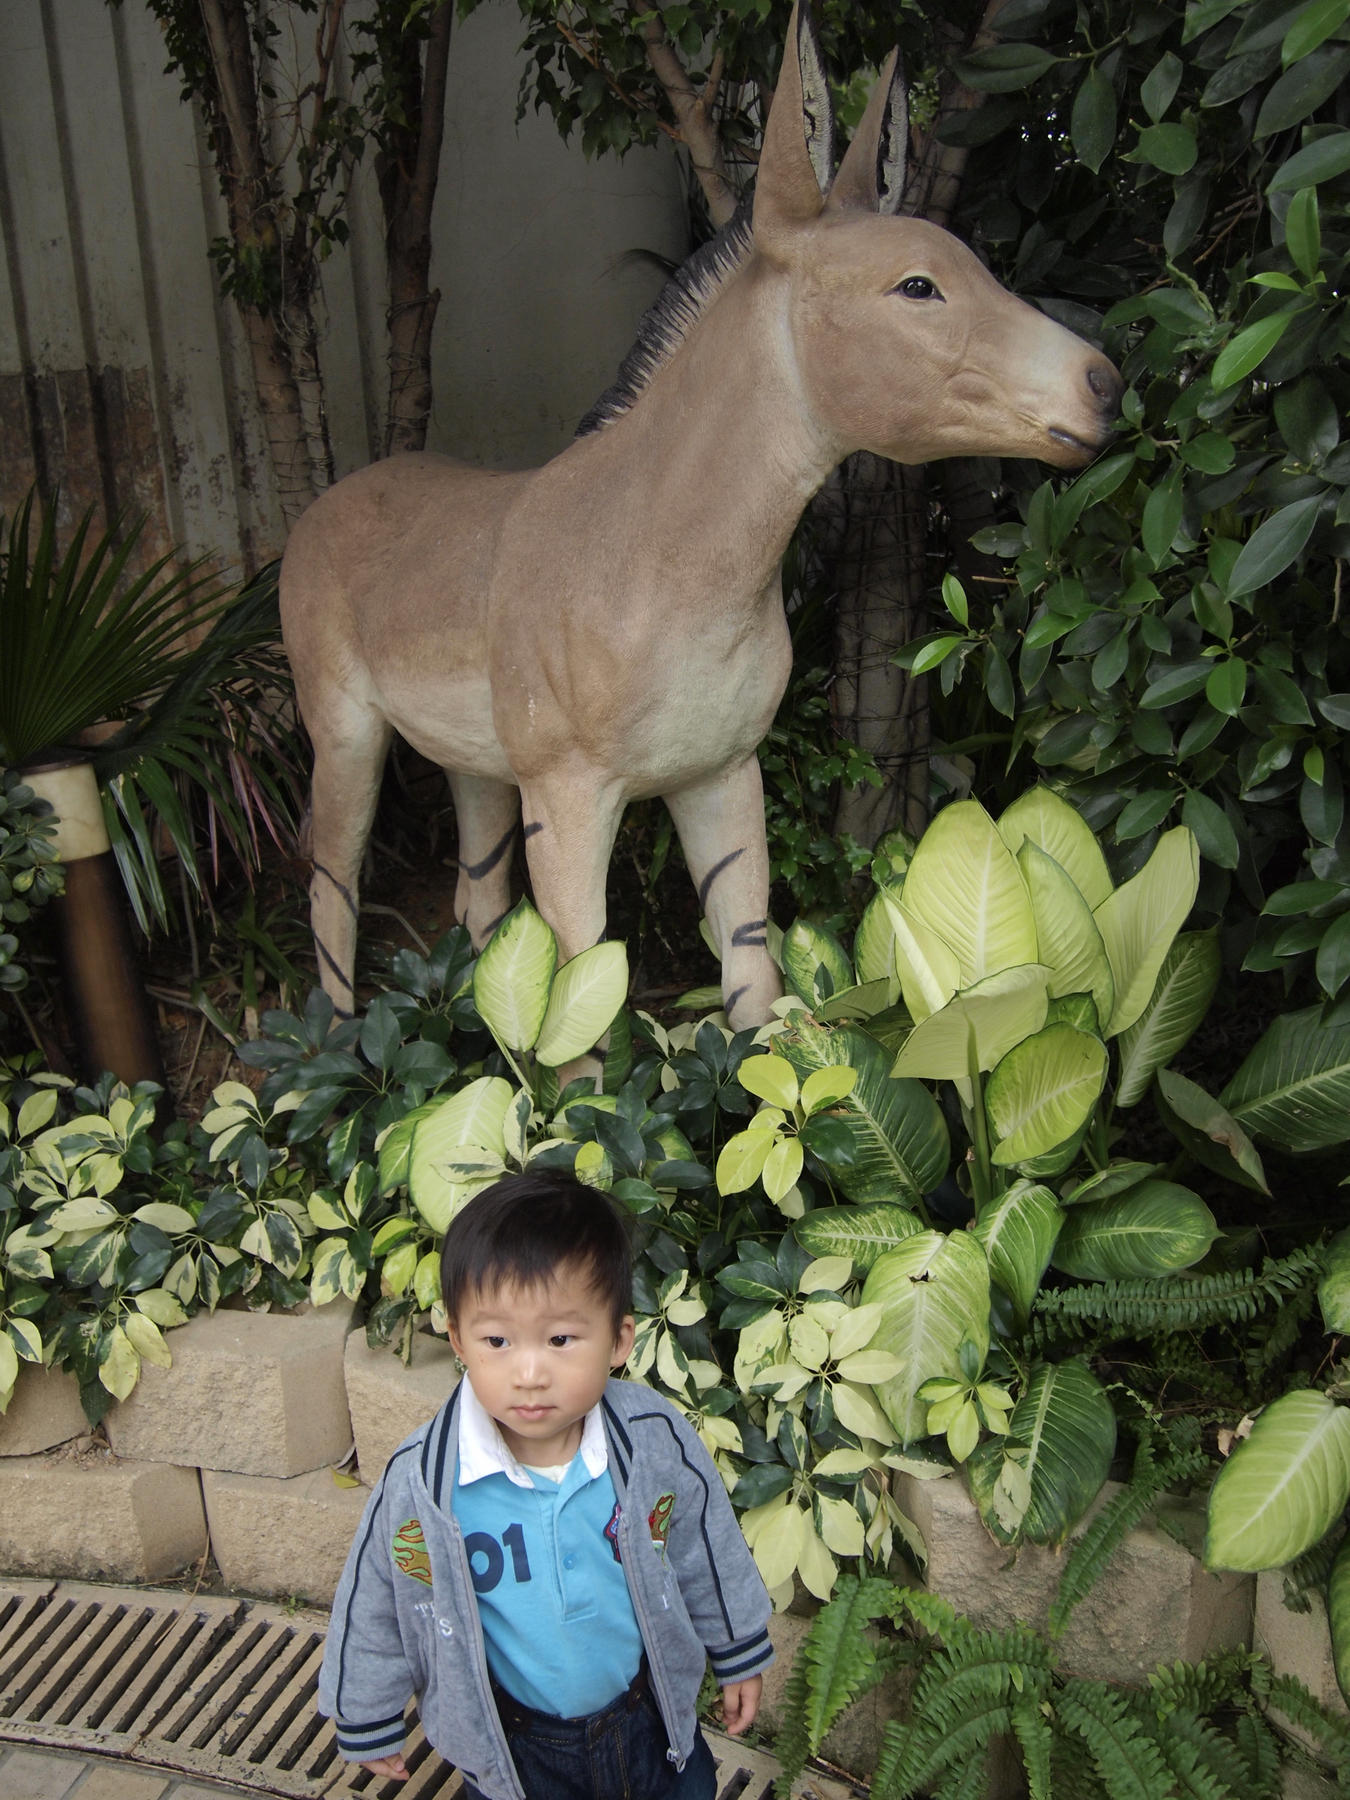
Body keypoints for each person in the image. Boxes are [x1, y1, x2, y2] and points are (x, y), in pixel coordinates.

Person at [318, 1168, 773, 1799]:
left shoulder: (651, 1441)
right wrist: (365, 1710)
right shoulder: (426, 1482)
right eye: (497, 1340)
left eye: (560, 1338)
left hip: (649, 1721)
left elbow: (703, 1544)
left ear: (618, 1340)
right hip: (517, 1748)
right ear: (458, 1340)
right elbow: (378, 1595)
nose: (529, 1372)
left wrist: (738, 1647)